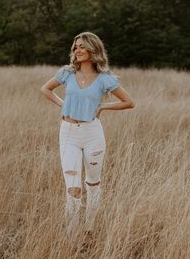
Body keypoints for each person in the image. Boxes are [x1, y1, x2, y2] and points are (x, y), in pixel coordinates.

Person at [40, 31, 135, 236]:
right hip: (68, 134)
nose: (77, 50)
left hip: (92, 134)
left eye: (82, 46)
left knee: (93, 184)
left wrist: (101, 108)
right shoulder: (66, 73)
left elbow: (129, 102)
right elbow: (45, 89)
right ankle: (71, 236)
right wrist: (62, 104)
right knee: (73, 189)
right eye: (75, 47)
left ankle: (89, 229)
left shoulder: (105, 79)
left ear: (94, 49)